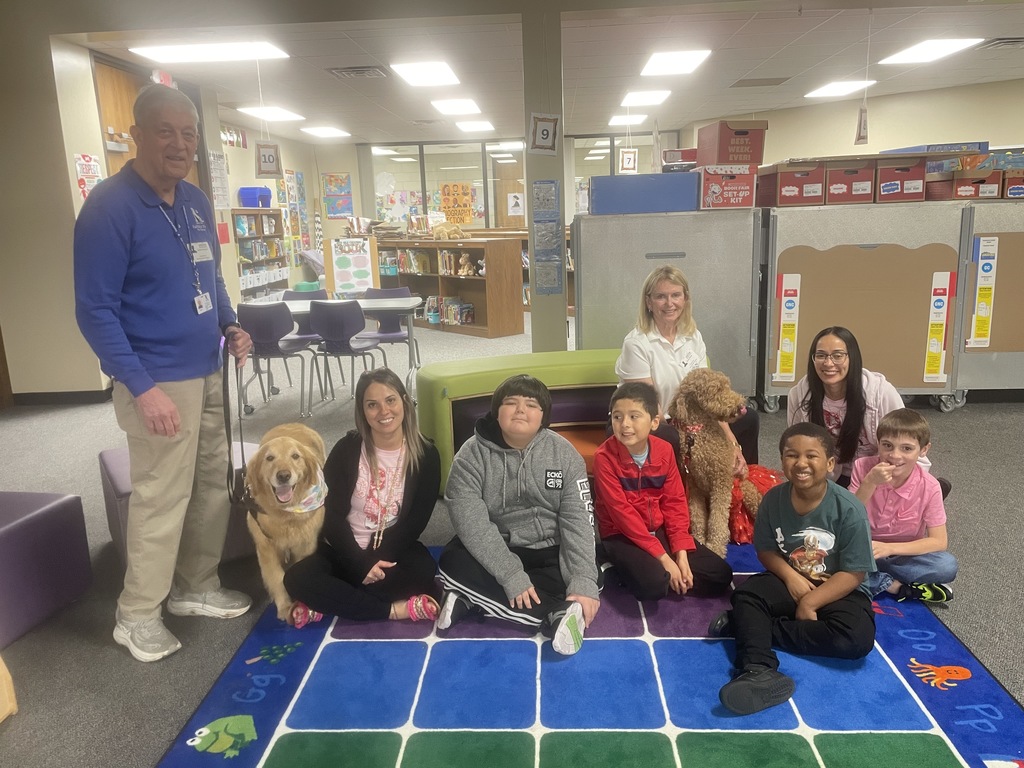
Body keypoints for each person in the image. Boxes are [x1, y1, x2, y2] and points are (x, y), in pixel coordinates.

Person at [73, 84, 254, 662]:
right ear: (138, 136)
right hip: (155, 378)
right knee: (160, 495)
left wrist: (230, 325)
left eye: (189, 134)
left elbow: (213, 279)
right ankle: (136, 614)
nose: (179, 144)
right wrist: (140, 385)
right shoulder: (109, 207)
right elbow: (94, 309)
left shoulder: (196, 202)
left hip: (207, 368)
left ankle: (195, 586)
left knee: (210, 485)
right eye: (166, 132)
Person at [709, 423, 876, 715]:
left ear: (830, 463)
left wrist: (812, 601)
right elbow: (766, 550)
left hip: (839, 588)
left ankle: (748, 627)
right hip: (790, 579)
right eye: (791, 455)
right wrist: (790, 577)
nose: (801, 463)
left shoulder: (849, 509)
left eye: (811, 456)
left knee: (857, 640)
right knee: (747, 597)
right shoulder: (773, 499)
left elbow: (855, 573)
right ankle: (758, 670)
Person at [437, 374, 600, 656]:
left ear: (543, 416)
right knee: (452, 562)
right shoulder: (470, 456)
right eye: (510, 403)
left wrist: (583, 582)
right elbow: (471, 523)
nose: (520, 409)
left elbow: (578, 521)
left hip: (549, 548)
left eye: (531, 404)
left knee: (589, 576)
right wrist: (511, 574)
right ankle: (555, 616)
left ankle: (472, 601)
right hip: (498, 546)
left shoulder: (564, 454)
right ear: (496, 413)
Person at [284, 368, 442, 623]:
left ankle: (330, 601)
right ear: (362, 411)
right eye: (372, 405)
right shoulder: (347, 449)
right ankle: (392, 610)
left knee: (423, 570)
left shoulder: (426, 455)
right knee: (296, 578)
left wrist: (374, 560)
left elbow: (416, 522)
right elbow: (330, 513)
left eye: (390, 400)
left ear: (404, 401)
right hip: (343, 548)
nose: (384, 412)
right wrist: (359, 563)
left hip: (392, 550)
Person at [594, 382, 733, 600]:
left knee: (720, 575)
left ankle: (664, 573)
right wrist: (665, 559)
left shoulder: (665, 450)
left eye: (634, 416)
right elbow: (621, 514)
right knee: (653, 585)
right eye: (617, 417)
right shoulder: (604, 457)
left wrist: (681, 554)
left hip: (657, 528)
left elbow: (675, 502)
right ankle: (621, 561)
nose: (624, 424)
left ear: (654, 422)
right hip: (621, 533)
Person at [616, 265, 759, 475]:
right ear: (648, 302)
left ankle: (744, 478)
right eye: (661, 297)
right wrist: (694, 435)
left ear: (685, 299)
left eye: (676, 295)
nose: (669, 303)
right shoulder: (637, 343)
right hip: (652, 420)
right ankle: (683, 495)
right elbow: (649, 405)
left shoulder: (693, 336)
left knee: (749, 419)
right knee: (671, 437)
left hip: (690, 419)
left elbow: (706, 394)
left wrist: (732, 442)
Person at [788, 326, 920, 488]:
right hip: (827, 476)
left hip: (874, 476)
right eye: (821, 355)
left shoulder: (880, 392)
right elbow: (795, 444)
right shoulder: (800, 394)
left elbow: (907, 440)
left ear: (852, 358)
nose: (828, 363)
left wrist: (915, 489)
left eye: (838, 356)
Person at [849, 408, 957, 603]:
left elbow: (939, 542)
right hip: (861, 548)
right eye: (887, 446)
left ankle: (871, 579)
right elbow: (847, 517)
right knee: (821, 557)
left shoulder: (930, 486)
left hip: (900, 553)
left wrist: (889, 549)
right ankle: (895, 586)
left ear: (923, 450)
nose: (895, 455)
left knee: (947, 565)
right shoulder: (862, 467)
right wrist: (870, 482)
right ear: (878, 444)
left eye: (907, 448)